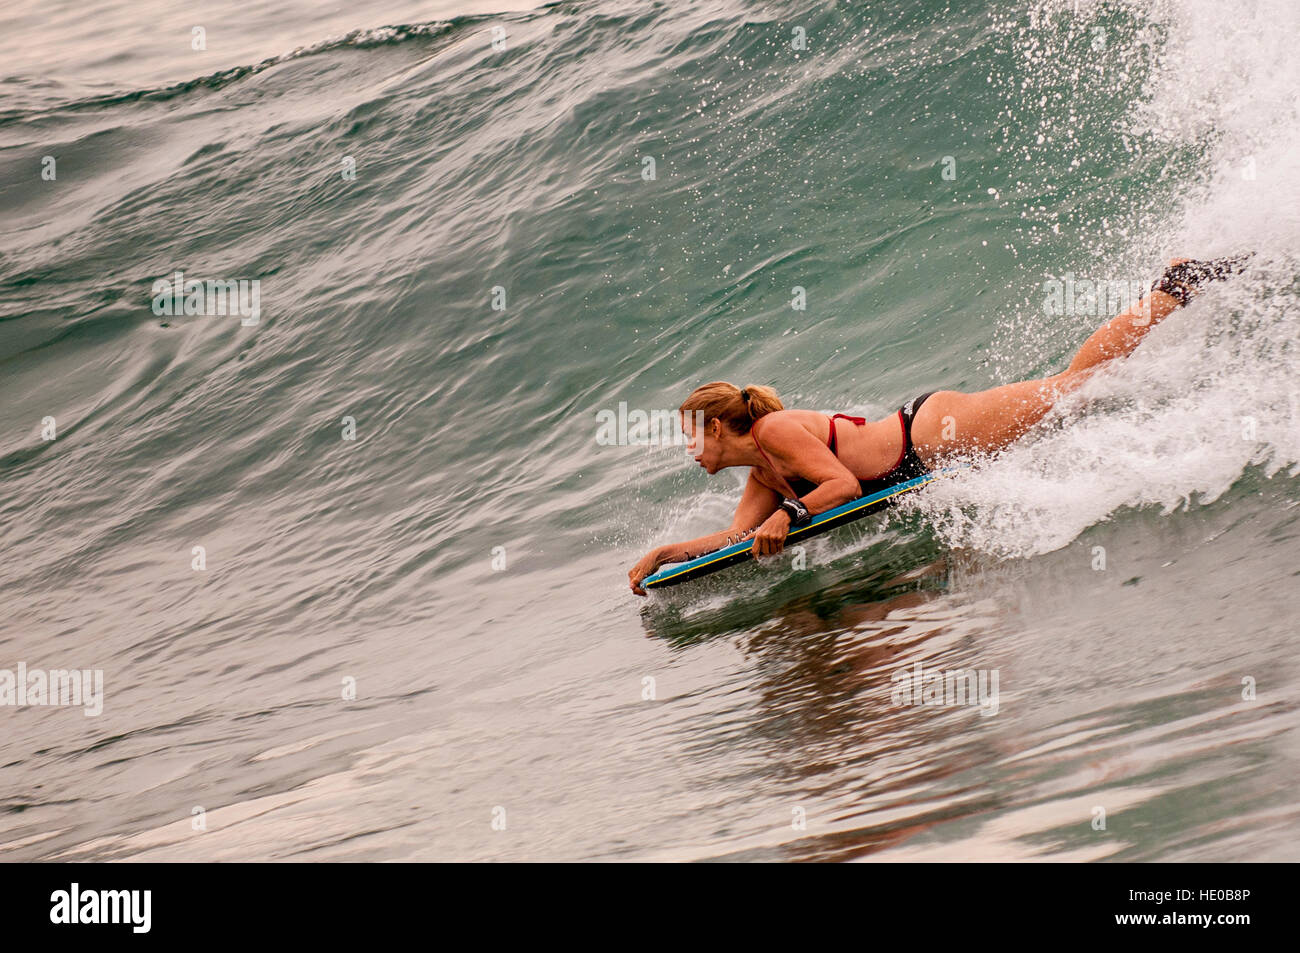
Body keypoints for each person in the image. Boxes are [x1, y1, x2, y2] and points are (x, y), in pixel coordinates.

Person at [628, 255, 1251, 595]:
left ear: (718, 428)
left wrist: (786, 518)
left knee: (1076, 391)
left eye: (690, 433)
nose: (687, 449)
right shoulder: (762, 470)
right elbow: (739, 536)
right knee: (1073, 400)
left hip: (930, 433)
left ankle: (1173, 287)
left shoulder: (775, 433)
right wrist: (666, 553)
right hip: (920, 460)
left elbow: (841, 487)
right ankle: (1170, 291)